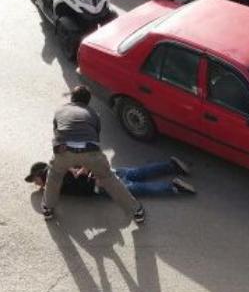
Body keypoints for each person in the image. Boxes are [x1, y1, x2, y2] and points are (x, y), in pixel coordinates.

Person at [41, 85, 145, 223]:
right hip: (90, 151)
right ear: (88, 101)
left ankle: (47, 209)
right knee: (109, 179)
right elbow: (95, 136)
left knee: (54, 176)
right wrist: (87, 165)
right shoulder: (94, 114)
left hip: (64, 150)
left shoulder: (60, 110)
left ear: (72, 97)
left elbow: (57, 132)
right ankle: (136, 211)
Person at [26, 157, 196, 197]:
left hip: (99, 184)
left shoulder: (53, 179)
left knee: (137, 189)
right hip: (104, 170)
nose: (35, 184)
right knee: (138, 173)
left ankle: (173, 187)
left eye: (34, 180)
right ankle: (172, 166)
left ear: (39, 175)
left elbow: (75, 183)